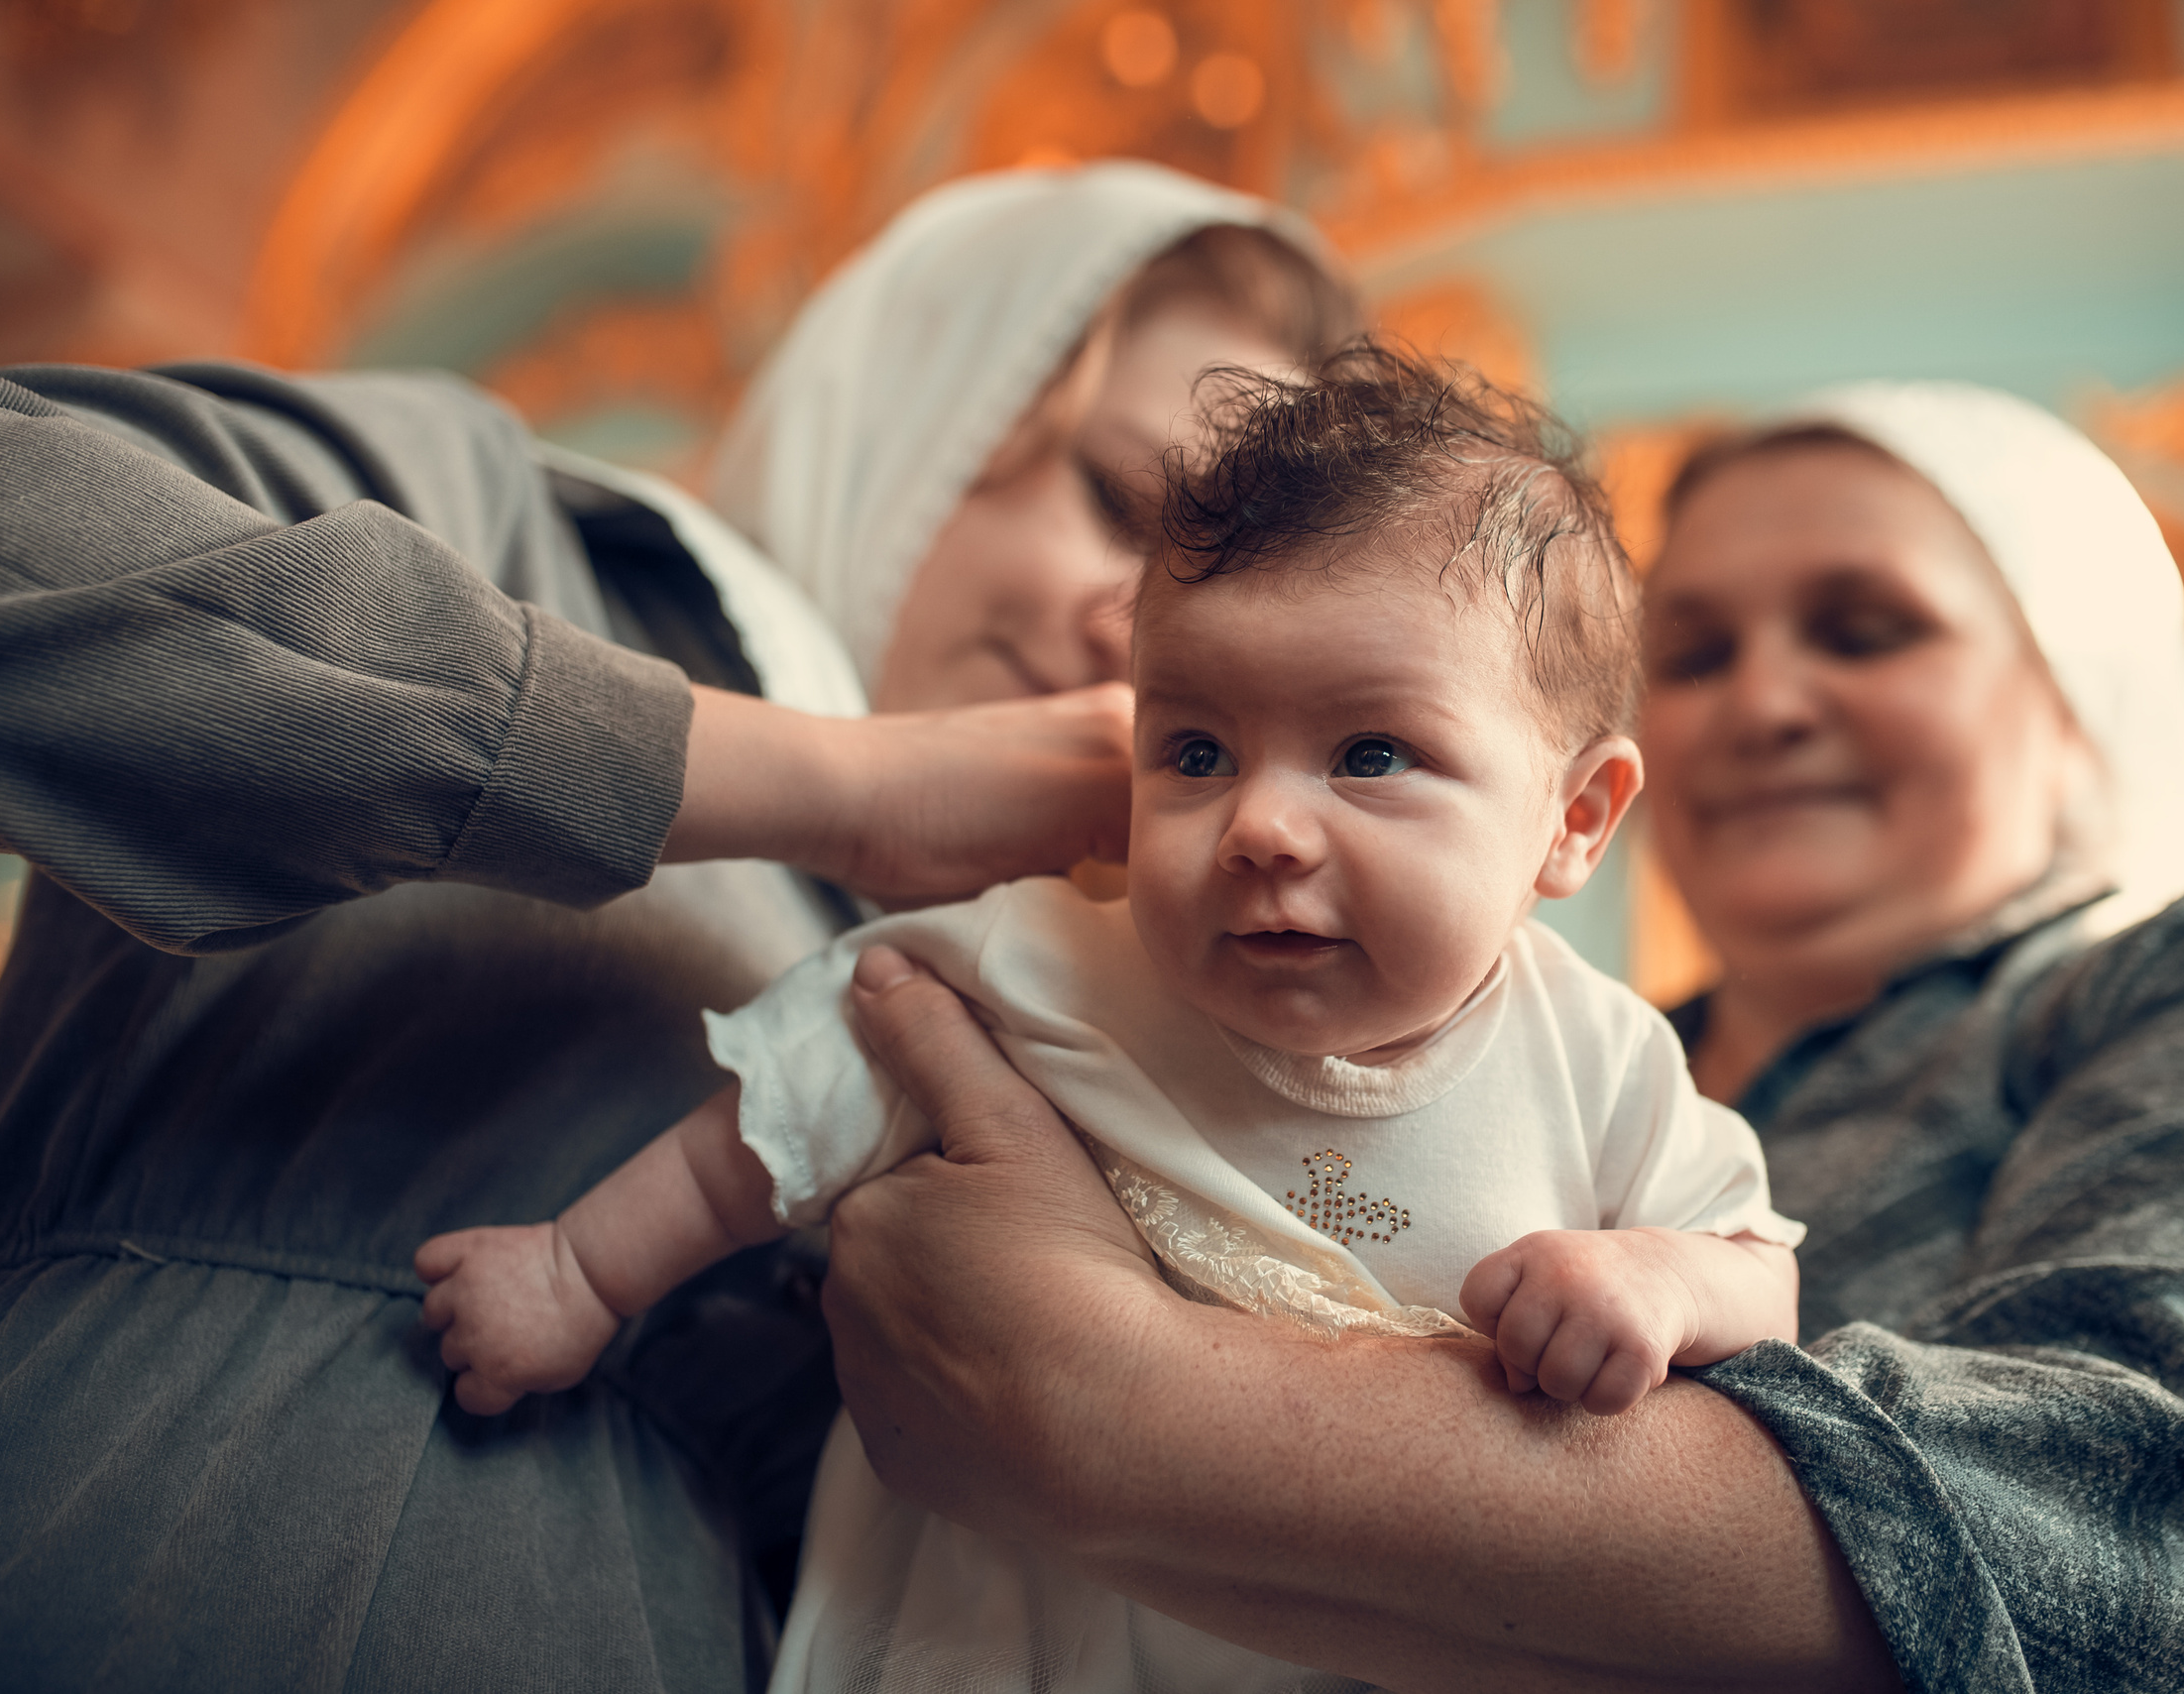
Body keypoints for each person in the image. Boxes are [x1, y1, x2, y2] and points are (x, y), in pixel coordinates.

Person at [808, 381, 2184, 1692]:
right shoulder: (1449, 1047)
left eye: (1863, 626)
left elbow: (2166, 1522)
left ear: (2075, 686)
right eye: (1690, 649)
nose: (1755, 702)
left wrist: (1117, 1403)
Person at [0, 161, 1356, 1692]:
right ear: (937, 391)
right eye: (1119, 503)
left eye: (1208, 591)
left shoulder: (1064, 1014)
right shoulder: (505, 516)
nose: (1136, 628)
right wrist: (838, 781)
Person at [414, 347, 1802, 1692]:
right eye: (1194, 751)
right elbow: (791, 1104)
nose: (1259, 823)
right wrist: (580, 1273)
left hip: (1386, 1626)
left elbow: (1758, 1265)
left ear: (1573, 819)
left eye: (1371, 753)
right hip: (1005, 1622)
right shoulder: (1046, 965)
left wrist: (1660, 1286)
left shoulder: (1603, 1057)